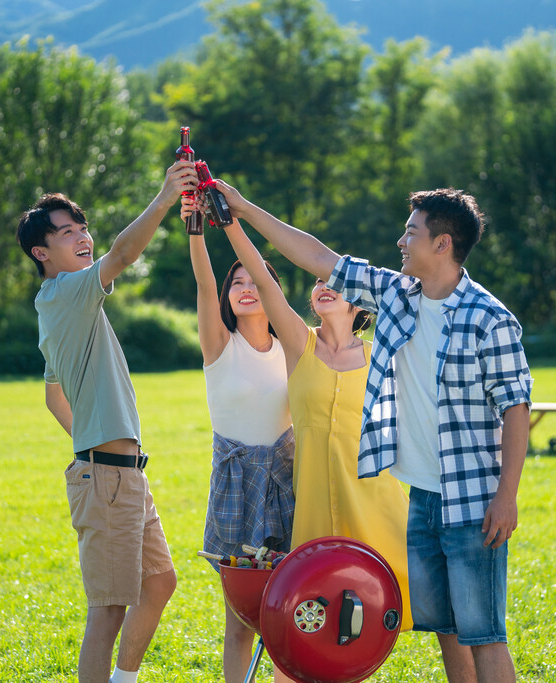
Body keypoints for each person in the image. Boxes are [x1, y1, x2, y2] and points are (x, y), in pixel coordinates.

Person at [209, 181, 532, 683]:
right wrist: (240, 211)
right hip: (413, 500)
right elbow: (316, 257)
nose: (402, 241)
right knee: (441, 626)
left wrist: (506, 495)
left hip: (451, 502)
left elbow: (516, 407)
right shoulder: (400, 298)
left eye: (411, 233)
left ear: (442, 243)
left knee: (481, 633)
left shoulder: (486, 319)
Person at [185, 199, 416, 632]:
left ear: (361, 305)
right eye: (318, 281)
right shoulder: (298, 344)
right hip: (308, 500)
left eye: (337, 284)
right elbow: (264, 283)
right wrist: (227, 220)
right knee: (309, 615)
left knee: (405, 602)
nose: (325, 285)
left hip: (371, 496)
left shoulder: (380, 356)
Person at [14, 159, 197, 683]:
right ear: (41, 253)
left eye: (83, 228)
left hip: (119, 472)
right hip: (109, 474)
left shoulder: (58, 304)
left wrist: (94, 446)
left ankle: (123, 679)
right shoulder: (68, 293)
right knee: (109, 607)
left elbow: (54, 397)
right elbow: (123, 254)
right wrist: (164, 197)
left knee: (159, 582)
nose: (83, 238)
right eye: (67, 232)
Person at [187, 228, 296, 683]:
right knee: (240, 616)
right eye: (238, 282)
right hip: (235, 484)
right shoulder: (219, 345)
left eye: (256, 280)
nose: (246, 288)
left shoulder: (293, 348)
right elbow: (205, 283)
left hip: (287, 482)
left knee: (289, 601)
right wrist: (195, 228)